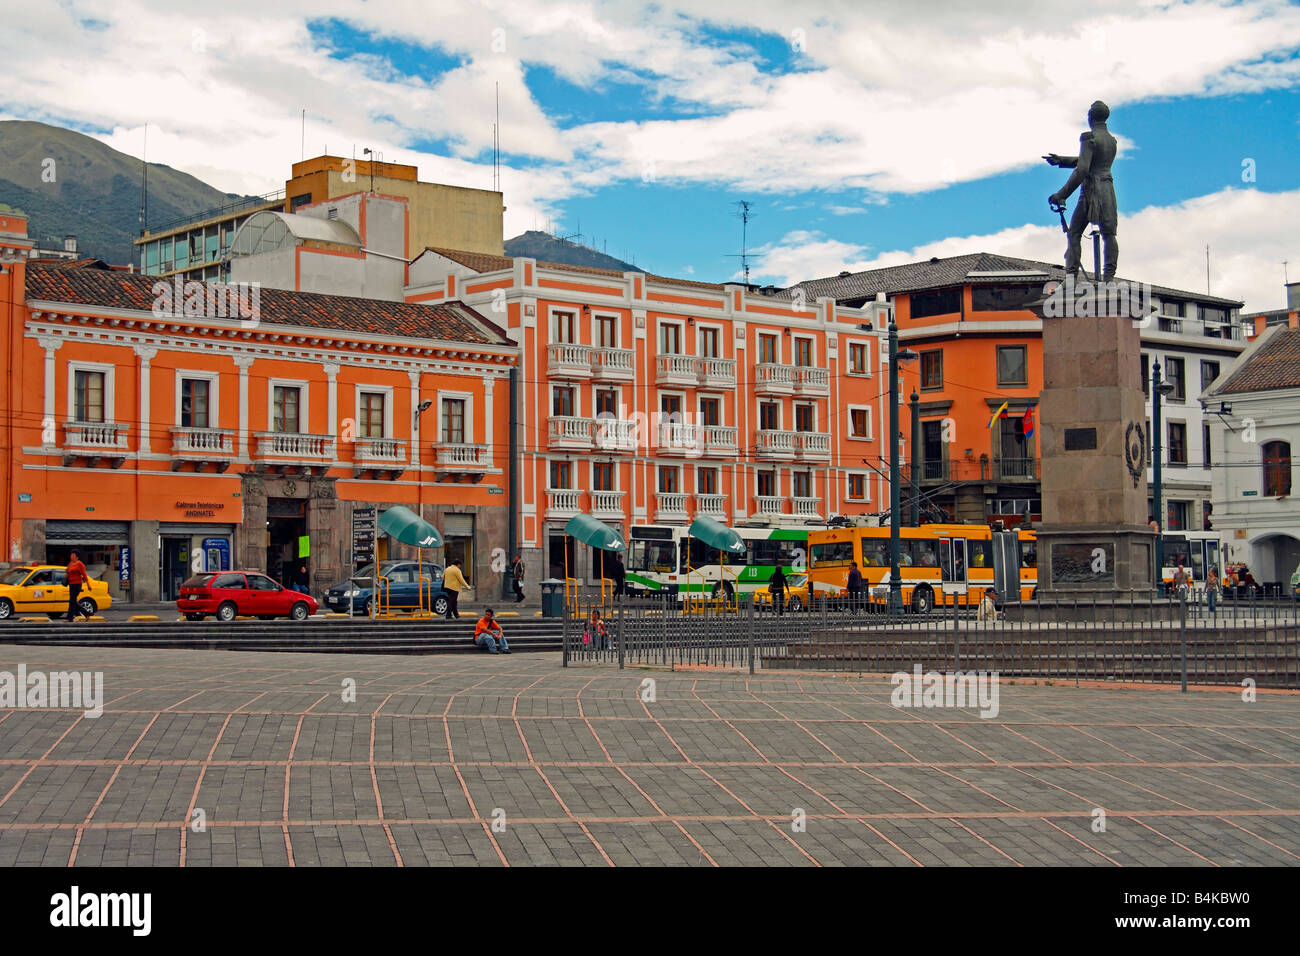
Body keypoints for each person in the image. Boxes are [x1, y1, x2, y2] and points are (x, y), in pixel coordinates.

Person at [1045, 100, 1119, 281]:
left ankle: (1071, 277)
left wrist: (1062, 194)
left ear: (1090, 117)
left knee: (1074, 232)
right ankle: (1109, 278)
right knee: (1109, 234)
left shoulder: (1088, 137)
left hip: (1091, 191)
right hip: (1108, 188)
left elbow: (1083, 169)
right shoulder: (1112, 140)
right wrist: (1062, 160)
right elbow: (1090, 160)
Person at [65, 550, 89, 623]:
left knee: (72, 601)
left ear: (77, 557)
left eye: (73, 555)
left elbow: (84, 574)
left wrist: (88, 584)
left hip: (77, 584)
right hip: (71, 584)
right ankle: (86, 613)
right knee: (73, 601)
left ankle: (70, 617)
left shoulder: (80, 564)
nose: (71, 557)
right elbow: (67, 570)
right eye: (71, 555)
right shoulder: (71, 563)